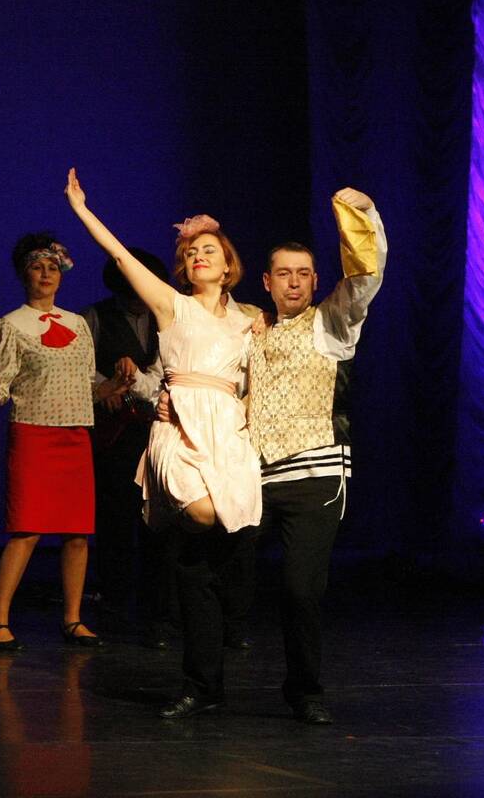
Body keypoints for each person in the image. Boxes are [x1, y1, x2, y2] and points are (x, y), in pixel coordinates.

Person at [162, 188, 386, 723]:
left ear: (315, 280)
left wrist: (362, 214)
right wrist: (167, 401)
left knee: (300, 589)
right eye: (283, 273)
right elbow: (199, 366)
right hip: (252, 475)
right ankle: (203, 685)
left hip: (314, 478)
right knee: (200, 570)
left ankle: (305, 692)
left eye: (303, 274)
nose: (294, 282)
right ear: (266, 281)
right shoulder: (248, 326)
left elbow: (364, 279)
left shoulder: (332, 324)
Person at [64, 168, 262, 718]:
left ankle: (204, 678)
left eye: (208, 250)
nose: (198, 256)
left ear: (228, 265)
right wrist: (82, 209)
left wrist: (244, 411)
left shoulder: (250, 321)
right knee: (202, 515)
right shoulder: (174, 305)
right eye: (191, 251)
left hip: (227, 430)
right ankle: (189, 560)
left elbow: (262, 381)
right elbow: (122, 256)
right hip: (177, 427)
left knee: (216, 554)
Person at [0, 233, 125, 650]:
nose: (45, 274)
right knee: (28, 529)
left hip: (75, 434)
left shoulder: (77, 324)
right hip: (34, 433)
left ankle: (73, 618)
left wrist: (112, 387)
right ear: (24, 275)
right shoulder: (10, 325)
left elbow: (86, 384)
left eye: (52, 267)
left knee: (77, 533)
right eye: (37, 267)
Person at [81, 250, 178, 647]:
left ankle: (158, 606)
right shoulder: (96, 316)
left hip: (156, 429)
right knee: (115, 517)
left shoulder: (165, 317)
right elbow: (80, 366)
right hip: (115, 433)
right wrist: (105, 387)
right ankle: (114, 598)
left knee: (156, 518)